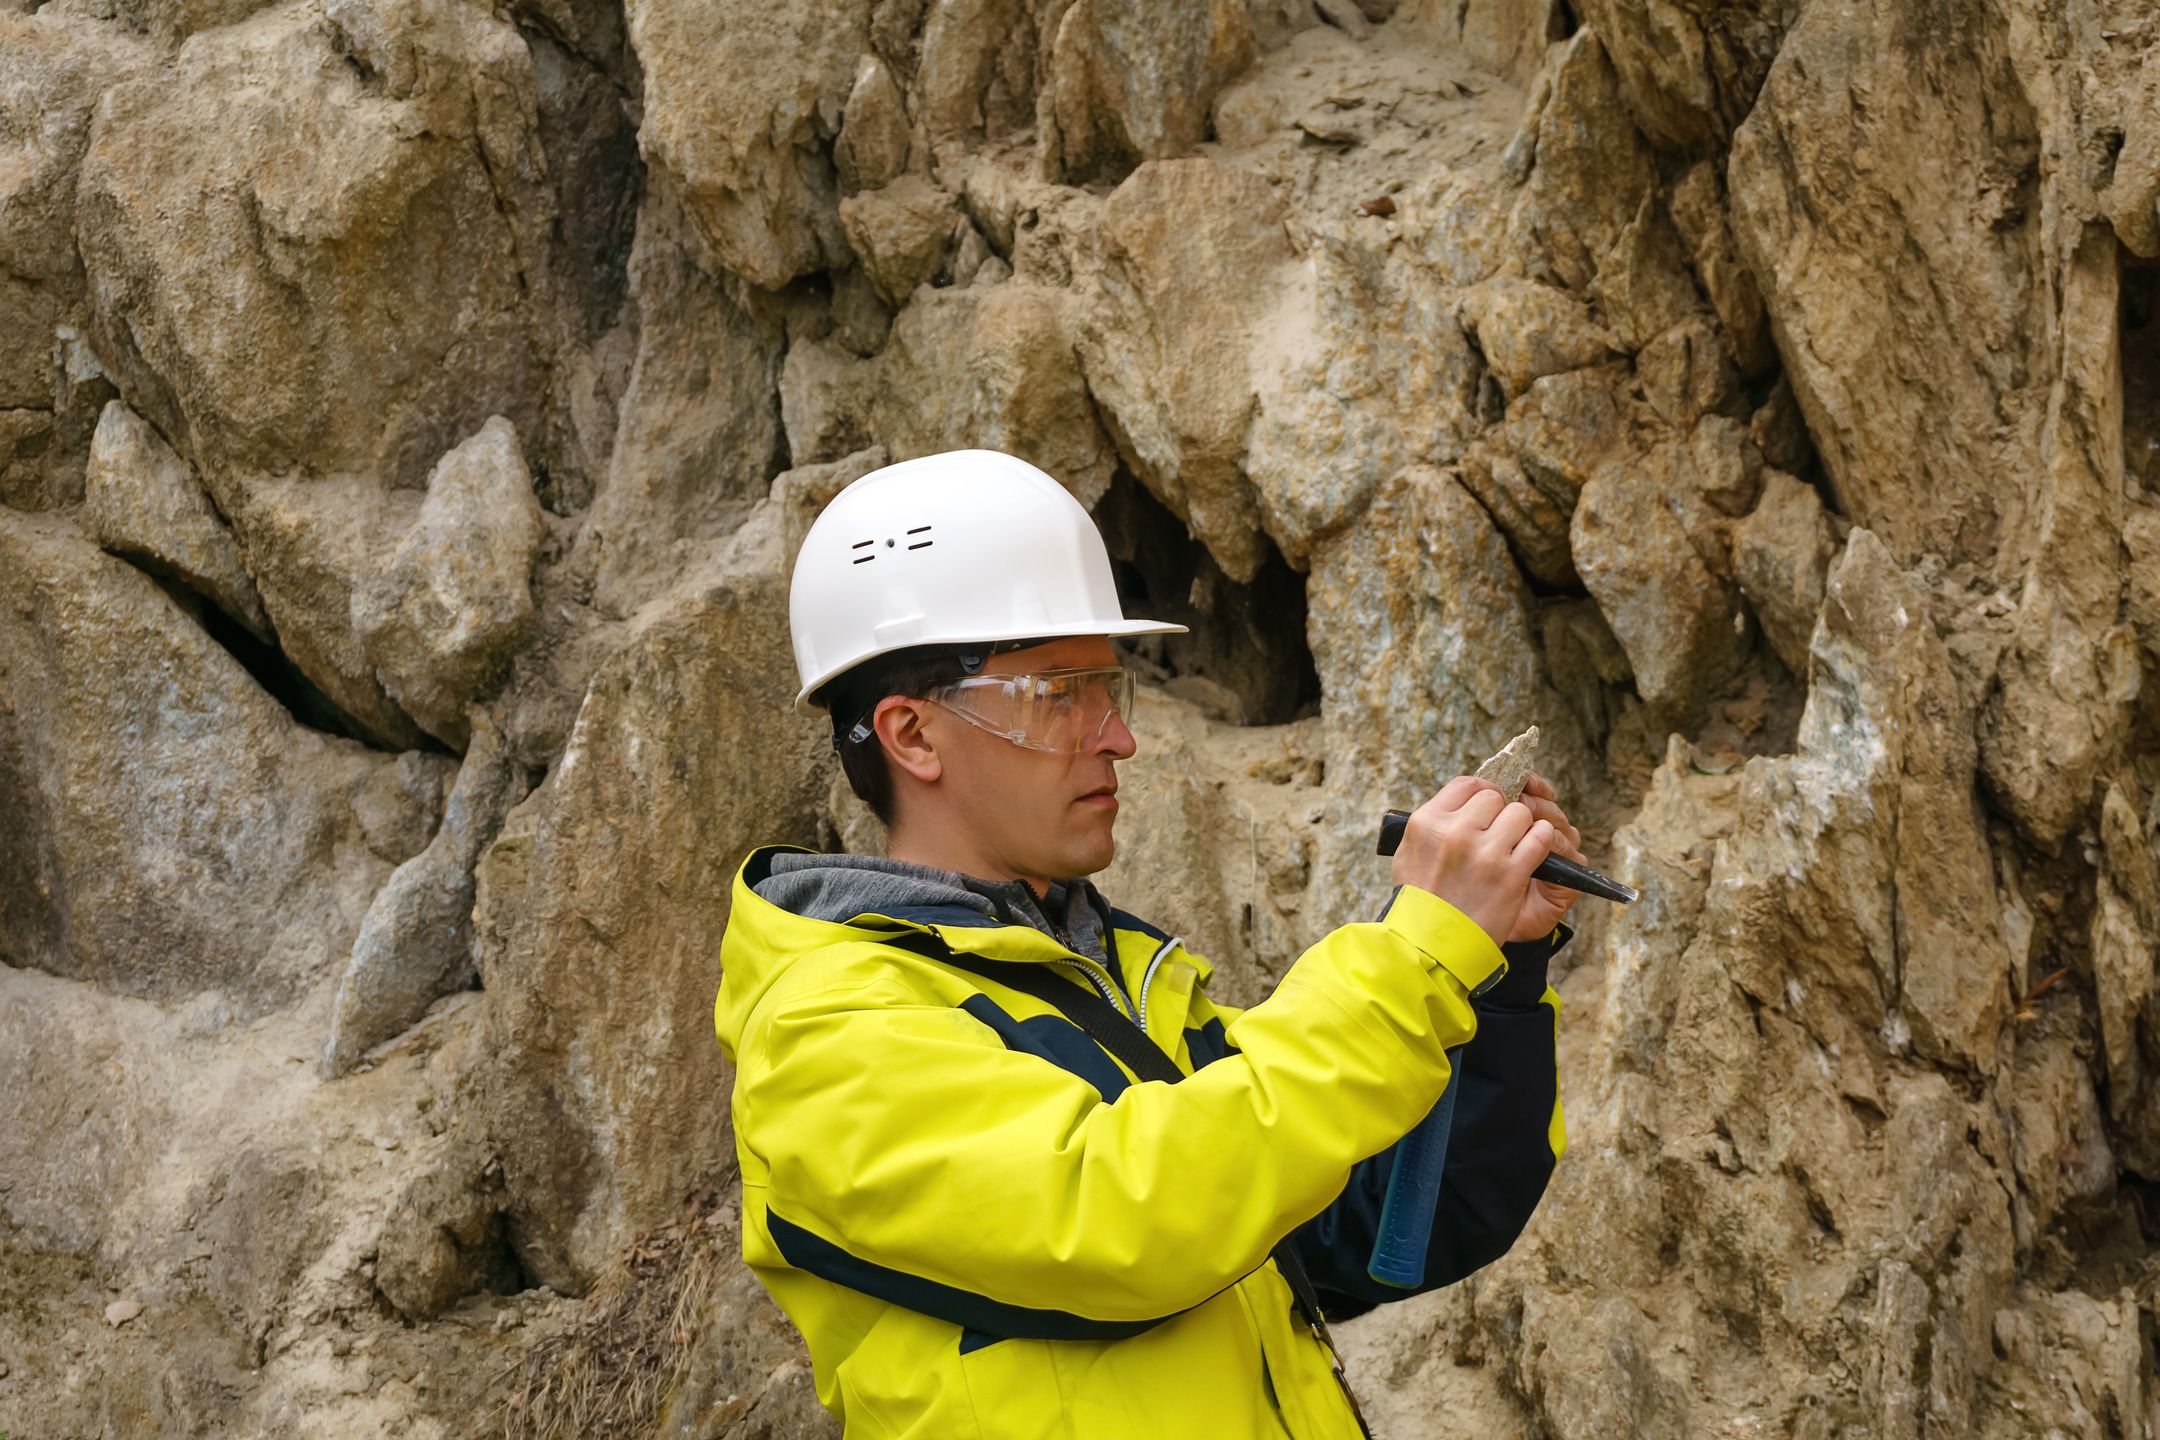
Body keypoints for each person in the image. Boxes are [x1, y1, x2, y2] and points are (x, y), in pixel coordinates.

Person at [714, 449, 1579, 1439]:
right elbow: (1125, 1219)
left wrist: (1498, 972)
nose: (1117, 738)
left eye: (1107, 691)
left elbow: (1386, 1228)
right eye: (1058, 695)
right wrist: (1417, 955)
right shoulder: (825, 1037)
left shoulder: (1117, 978)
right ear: (911, 735)